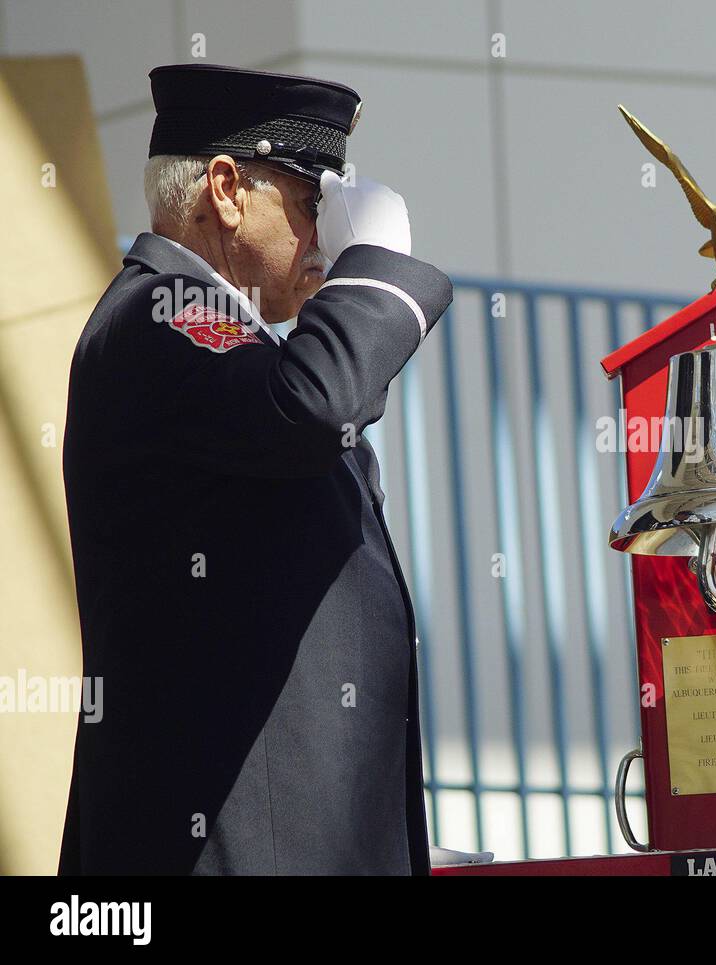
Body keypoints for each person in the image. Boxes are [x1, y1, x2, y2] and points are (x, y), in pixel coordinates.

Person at [59, 64, 451, 874]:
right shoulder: (157, 312)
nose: (324, 235)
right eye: (313, 202)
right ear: (228, 188)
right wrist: (374, 264)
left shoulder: (227, 345)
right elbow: (313, 406)